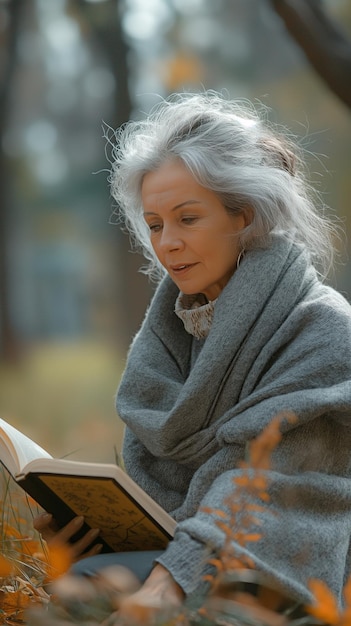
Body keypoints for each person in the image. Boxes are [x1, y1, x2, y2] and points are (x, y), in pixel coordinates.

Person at [34, 91, 351, 618]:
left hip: (282, 571)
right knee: (83, 580)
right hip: (184, 554)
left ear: (244, 215)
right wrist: (86, 528)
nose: (167, 244)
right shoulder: (169, 336)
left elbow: (271, 489)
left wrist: (166, 584)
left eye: (187, 218)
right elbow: (154, 495)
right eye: (156, 224)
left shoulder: (324, 332)